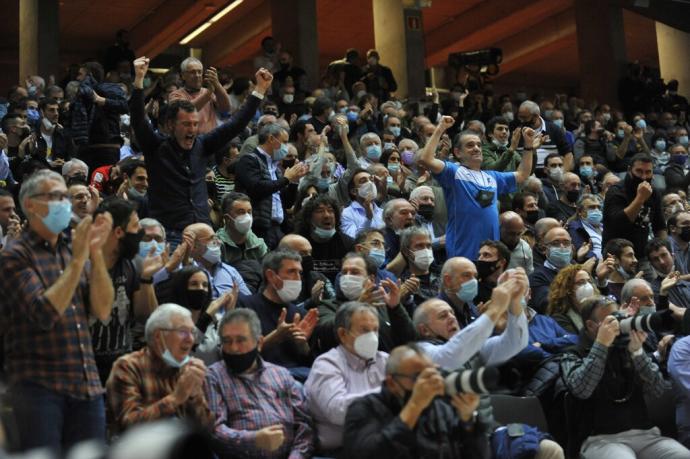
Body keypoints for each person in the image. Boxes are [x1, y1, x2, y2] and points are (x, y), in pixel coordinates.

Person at [0, 170, 114, 452]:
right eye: (55, 197)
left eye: (65, 196)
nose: (63, 203)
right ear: (30, 205)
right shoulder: (14, 255)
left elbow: (103, 310)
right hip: (38, 388)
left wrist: (96, 254)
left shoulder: (69, 249)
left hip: (86, 383)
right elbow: (43, 313)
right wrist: (78, 261)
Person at [129, 56, 268, 247]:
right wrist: (138, 81)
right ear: (170, 125)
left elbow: (236, 124)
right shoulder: (156, 147)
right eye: (186, 124)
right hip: (169, 234)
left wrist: (259, 90)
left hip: (203, 231)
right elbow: (138, 120)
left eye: (195, 124)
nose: (192, 129)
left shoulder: (202, 145)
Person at [560, 296, 690, 459]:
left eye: (618, 318)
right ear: (591, 325)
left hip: (646, 435)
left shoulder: (626, 349)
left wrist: (637, 352)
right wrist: (601, 345)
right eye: (610, 320)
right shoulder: (571, 354)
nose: (617, 325)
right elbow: (581, 390)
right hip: (600, 440)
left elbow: (658, 389)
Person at [342, 344, 491, 459]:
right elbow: (369, 455)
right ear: (392, 382)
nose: (427, 383)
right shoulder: (364, 408)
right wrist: (415, 406)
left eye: (432, 374)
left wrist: (468, 422)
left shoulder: (442, 406)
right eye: (418, 377)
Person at [205, 308, 315, 459]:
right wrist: (255, 440)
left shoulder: (281, 375)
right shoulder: (213, 376)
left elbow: (304, 427)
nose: (234, 348)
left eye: (241, 340)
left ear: (259, 343)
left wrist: (296, 457)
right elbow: (215, 431)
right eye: (227, 341)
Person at [420, 116, 533, 259]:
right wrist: (440, 128)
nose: (476, 148)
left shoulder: (492, 177)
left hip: (490, 255)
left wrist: (528, 146)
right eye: (470, 145)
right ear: (458, 152)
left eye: (479, 145)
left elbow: (523, 174)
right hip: (462, 252)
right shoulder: (454, 172)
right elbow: (426, 159)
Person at [106, 304, 214, 432]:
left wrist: (194, 396)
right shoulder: (127, 366)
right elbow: (127, 427)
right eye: (183, 331)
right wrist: (175, 399)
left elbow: (207, 430)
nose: (190, 339)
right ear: (158, 336)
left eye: (192, 332)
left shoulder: (188, 369)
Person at [90, 198, 161, 384]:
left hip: (121, 363)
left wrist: (146, 278)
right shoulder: (83, 264)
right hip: (85, 365)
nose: (140, 233)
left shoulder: (132, 264)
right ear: (119, 232)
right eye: (136, 226)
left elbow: (146, 315)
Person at [305, 302, 387, 454]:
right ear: (343, 334)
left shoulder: (385, 360)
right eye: (364, 330)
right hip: (340, 450)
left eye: (375, 330)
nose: (372, 337)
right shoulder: (327, 364)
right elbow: (338, 411)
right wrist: (388, 395)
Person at [236, 249, 317, 381]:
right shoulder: (245, 306)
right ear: (271, 276)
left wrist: (302, 345)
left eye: (300, 273)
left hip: (298, 380)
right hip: (258, 378)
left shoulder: (301, 314)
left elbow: (311, 363)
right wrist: (276, 337)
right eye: (291, 272)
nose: (298, 278)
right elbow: (239, 355)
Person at [313, 252, 414, 356]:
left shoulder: (382, 305)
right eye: (344, 272)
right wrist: (357, 307)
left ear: (371, 279)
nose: (347, 277)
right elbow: (326, 333)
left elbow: (409, 339)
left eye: (354, 272)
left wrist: (396, 307)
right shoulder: (327, 305)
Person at [235, 123, 309, 249]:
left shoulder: (275, 168)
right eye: (284, 142)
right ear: (270, 139)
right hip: (259, 228)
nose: (286, 147)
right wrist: (286, 179)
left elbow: (286, 203)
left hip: (278, 228)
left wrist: (294, 181)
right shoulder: (248, 160)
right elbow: (256, 189)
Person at [602, 153, 666, 261]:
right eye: (639, 171)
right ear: (629, 170)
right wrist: (640, 198)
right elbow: (620, 222)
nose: (644, 177)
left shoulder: (654, 193)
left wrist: (664, 249)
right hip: (616, 256)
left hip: (642, 255)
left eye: (648, 172)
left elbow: (660, 226)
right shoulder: (616, 191)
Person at [169, 57, 231, 135]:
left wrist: (217, 84)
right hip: (190, 140)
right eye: (192, 72)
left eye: (199, 72)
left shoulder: (207, 92)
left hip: (211, 138)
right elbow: (187, 111)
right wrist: (208, 94)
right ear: (183, 76)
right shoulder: (175, 94)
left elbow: (226, 108)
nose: (197, 75)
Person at [217, 191, 269, 265]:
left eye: (249, 212)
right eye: (241, 212)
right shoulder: (218, 245)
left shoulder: (258, 244)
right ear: (227, 218)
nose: (247, 217)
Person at [547, 264, 601, 334]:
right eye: (581, 282)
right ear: (568, 289)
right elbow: (577, 343)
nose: (588, 286)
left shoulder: (597, 311)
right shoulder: (559, 319)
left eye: (589, 281)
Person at [340, 168, 385, 239]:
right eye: (363, 181)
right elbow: (352, 238)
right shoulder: (346, 214)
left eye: (371, 179)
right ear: (354, 191)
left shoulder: (383, 212)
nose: (370, 183)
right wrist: (368, 218)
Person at [567, 194, 604, 260]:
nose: (596, 210)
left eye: (598, 207)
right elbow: (583, 252)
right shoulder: (575, 227)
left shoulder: (604, 227)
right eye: (592, 207)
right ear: (579, 211)